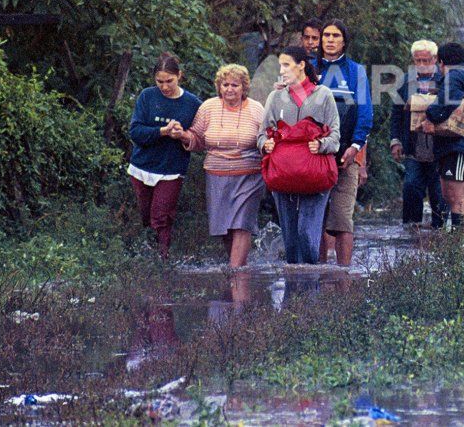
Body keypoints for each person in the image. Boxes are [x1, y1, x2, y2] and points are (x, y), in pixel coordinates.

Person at [258, 47, 340, 264]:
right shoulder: (275, 97)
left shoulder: (324, 95)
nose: (282, 71)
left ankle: (311, 290)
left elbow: (335, 136)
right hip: (283, 174)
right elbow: (262, 132)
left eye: (286, 65)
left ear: (301, 65)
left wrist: (321, 145)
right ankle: (293, 293)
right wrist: (264, 144)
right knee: (290, 239)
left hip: (315, 174)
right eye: (280, 66)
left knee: (306, 233)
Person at [180, 64, 267, 268]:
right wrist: (183, 135)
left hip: (249, 174)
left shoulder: (256, 109)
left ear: (244, 87)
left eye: (235, 85)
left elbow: (266, 138)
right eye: (225, 84)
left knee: (241, 225)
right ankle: (240, 267)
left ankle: (234, 273)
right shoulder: (208, 107)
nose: (229, 89)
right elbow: (198, 138)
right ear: (219, 87)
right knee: (225, 228)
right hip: (216, 174)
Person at [128, 53, 202, 259]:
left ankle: (163, 260)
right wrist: (162, 131)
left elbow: (200, 138)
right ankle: (147, 261)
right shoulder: (147, 96)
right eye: (159, 81)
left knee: (161, 217)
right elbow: (135, 132)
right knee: (146, 218)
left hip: (171, 169)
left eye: (169, 81)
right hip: (142, 166)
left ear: (180, 75)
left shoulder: (193, 104)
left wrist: (183, 135)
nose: (164, 86)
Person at [316, 19, 372, 266]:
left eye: (336, 35)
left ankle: (343, 274)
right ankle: (314, 272)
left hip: (346, 154)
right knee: (315, 217)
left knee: (342, 217)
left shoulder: (356, 71)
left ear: (344, 41)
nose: (330, 40)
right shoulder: (307, 68)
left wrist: (356, 148)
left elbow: (365, 112)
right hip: (314, 155)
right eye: (326, 35)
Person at [422, 42, 464, 230]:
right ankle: (463, 240)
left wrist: (429, 113)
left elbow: (446, 103)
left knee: (456, 198)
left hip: (460, 145)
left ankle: (462, 243)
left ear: (441, 62)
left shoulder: (455, 76)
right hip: (459, 145)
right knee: (452, 196)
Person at [390, 40, 447, 228]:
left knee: (438, 192)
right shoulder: (406, 81)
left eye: (426, 60)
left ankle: (440, 233)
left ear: (435, 59)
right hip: (414, 144)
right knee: (411, 186)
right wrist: (395, 140)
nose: (421, 65)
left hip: (439, 146)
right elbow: (396, 113)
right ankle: (411, 230)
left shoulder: (445, 80)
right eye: (417, 61)